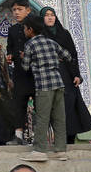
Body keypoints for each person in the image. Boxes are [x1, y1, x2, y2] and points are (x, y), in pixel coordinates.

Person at [40, 7, 91, 143]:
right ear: (42, 18)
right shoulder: (40, 35)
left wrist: (77, 75)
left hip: (67, 75)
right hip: (50, 76)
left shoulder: (64, 34)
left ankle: (69, 138)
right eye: (46, 15)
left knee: (69, 106)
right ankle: (58, 139)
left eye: (52, 15)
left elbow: (73, 55)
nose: (50, 17)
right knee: (55, 108)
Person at [21, 15, 72, 162]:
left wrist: (27, 59)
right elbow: (68, 56)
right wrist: (55, 59)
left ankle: (39, 150)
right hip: (58, 83)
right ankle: (60, 150)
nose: (24, 31)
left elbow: (25, 67)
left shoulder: (30, 44)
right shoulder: (52, 42)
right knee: (59, 118)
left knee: (43, 118)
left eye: (25, 28)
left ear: (30, 30)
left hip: (43, 86)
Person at [7, 0, 36, 145]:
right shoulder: (12, 30)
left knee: (40, 104)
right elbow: (10, 47)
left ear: (28, 10)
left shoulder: (35, 25)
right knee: (18, 104)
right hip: (20, 73)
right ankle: (18, 136)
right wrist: (10, 55)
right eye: (14, 10)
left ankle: (42, 137)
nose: (16, 13)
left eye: (20, 9)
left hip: (35, 73)